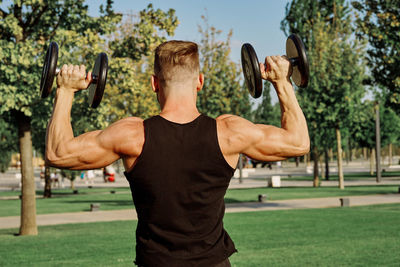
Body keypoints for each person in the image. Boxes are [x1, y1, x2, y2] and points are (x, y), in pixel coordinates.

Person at [45, 40, 309, 266]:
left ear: (154, 83)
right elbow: (298, 143)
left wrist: (65, 90)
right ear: (200, 82)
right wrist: (282, 82)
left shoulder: (132, 135)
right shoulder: (229, 132)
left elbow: (58, 153)